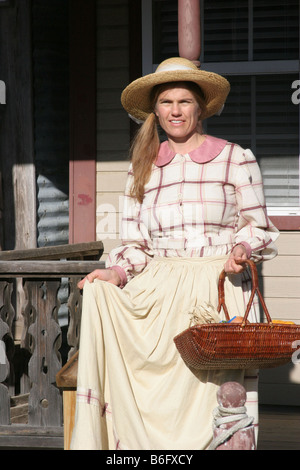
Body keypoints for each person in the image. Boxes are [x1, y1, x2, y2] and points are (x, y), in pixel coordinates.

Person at [70, 57, 279, 450]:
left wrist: (240, 248)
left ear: (201, 108)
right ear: (155, 110)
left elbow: (260, 228)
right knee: (155, 402)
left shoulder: (235, 157)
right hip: (159, 294)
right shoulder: (142, 166)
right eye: (166, 102)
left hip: (218, 288)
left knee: (216, 400)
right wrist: (115, 274)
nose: (175, 111)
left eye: (184, 101)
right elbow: (133, 244)